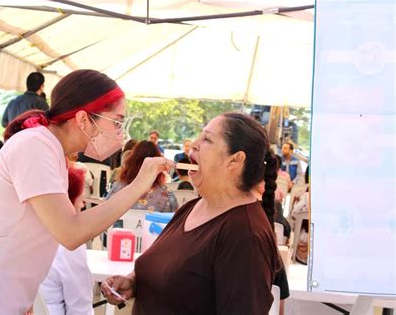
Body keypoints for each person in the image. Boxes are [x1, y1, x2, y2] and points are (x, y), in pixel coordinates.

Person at [0, 69, 174, 314]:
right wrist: (138, 185)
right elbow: (70, 232)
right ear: (83, 119)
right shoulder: (35, 146)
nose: (120, 132)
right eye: (116, 121)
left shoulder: (50, 150)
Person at [101, 112, 280, 314]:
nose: (194, 144)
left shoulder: (245, 234)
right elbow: (179, 280)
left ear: (235, 161)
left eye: (207, 139)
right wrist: (133, 282)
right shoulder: (191, 207)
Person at [40, 167, 94, 315]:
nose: (82, 204)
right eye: (80, 199)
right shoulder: (70, 244)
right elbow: (80, 308)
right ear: (68, 202)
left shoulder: (22, 232)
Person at [105, 141, 178, 213]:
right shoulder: (166, 195)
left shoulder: (117, 188)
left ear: (131, 161)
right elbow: (175, 219)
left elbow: (104, 211)